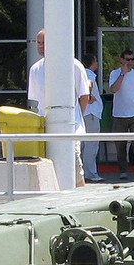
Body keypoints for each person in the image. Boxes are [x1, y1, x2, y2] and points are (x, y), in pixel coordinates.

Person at [27, 29, 90, 187]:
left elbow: (84, 96)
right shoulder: (35, 69)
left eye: (44, 43)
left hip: (70, 130)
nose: (40, 46)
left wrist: (75, 118)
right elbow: (36, 102)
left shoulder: (74, 65)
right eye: (38, 43)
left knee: (75, 171)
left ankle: (80, 199)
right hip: (45, 131)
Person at [108, 50, 134, 180]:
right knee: (120, 144)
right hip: (119, 114)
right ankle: (123, 170)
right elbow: (113, 89)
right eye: (127, 59)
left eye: (132, 59)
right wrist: (122, 74)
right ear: (122, 60)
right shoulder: (114, 73)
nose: (130, 62)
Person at [80, 53, 104, 182]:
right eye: (96, 61)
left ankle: (83, 172)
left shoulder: (81, 73)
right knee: (92, 144)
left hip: (86, 113)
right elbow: (89, 84)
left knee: (84, 145)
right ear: (91, 63)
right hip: (91, 113)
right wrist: (89, 97)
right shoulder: (89, 74)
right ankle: (90, 173)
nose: (97, 64)